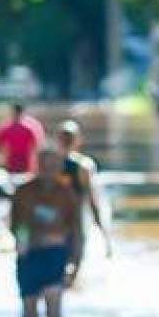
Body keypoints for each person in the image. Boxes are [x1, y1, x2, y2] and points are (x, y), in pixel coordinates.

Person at [9, 148, 80, 317]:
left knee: (53, 312)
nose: (48, 170)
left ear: (59, 167)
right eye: (44, 165)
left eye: (53, 166)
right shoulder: (23, 192)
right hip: (29, 257)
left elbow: (76, 233)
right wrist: (23, 242)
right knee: (29, 314)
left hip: (55, 256)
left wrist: (75, 265)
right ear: (36, 166)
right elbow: (15, 225)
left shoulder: (67, 194)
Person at [55, 119, 114, 282]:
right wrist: (104, 234)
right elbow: (92, 199)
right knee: (74, 265)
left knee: (58, 268)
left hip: (54, 221)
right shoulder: (84, 166)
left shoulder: (48, 163)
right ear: (78, 140)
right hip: (75, 222)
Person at [0, 102, 45, 177]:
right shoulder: (31, 127)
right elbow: (38, 146)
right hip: (16, 165)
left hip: (22, 166)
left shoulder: (7, 128)